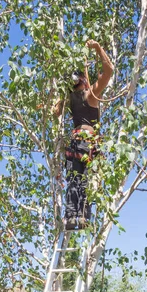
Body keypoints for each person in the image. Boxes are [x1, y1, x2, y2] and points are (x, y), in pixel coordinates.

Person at [54, 40, 114, 230]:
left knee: (74, 184)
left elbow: (56, 112)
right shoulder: (90, 95)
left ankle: (73, 219)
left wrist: (60, 94)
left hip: (73, 147)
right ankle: (84, 219)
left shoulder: (70, 99)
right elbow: (109, 70)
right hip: (87, 146)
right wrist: (97, 48)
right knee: (88, 185)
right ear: (83, 80)